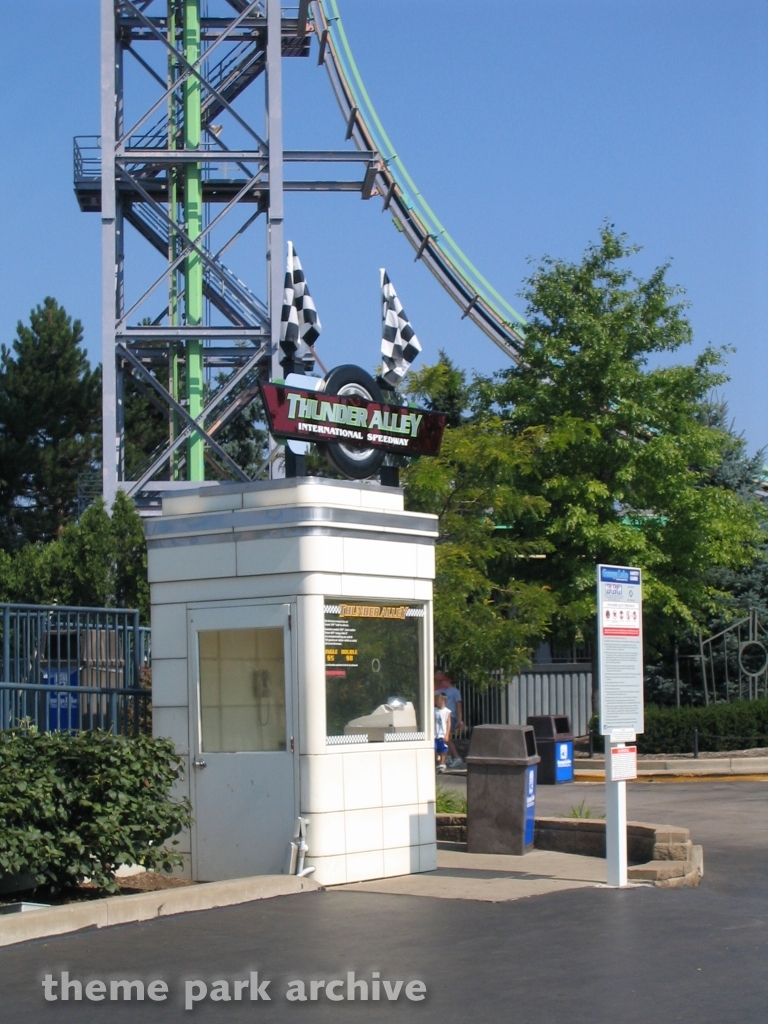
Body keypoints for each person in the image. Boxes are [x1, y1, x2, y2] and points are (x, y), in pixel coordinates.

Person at [434, 670, 465, 768]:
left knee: (446, 738)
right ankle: (448, 757)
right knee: (443, 738)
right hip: (440, 716)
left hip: (450, 716)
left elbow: (458, 705)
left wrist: (460, 719)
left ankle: (456, 757)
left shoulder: (454, 691)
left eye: (444, 679)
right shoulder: (439, 691)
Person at [434, 691, 451, 773]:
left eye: (438, 701)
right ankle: (437, 759)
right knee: (434, 748)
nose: (437, 702)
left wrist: (447, 734)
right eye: (436, 701)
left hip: (442, 733)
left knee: (443, 749)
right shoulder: (434, 710)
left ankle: (442, 763)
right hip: (435, 733)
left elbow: (448, 723)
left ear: (443, 701)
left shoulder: (447, 711)